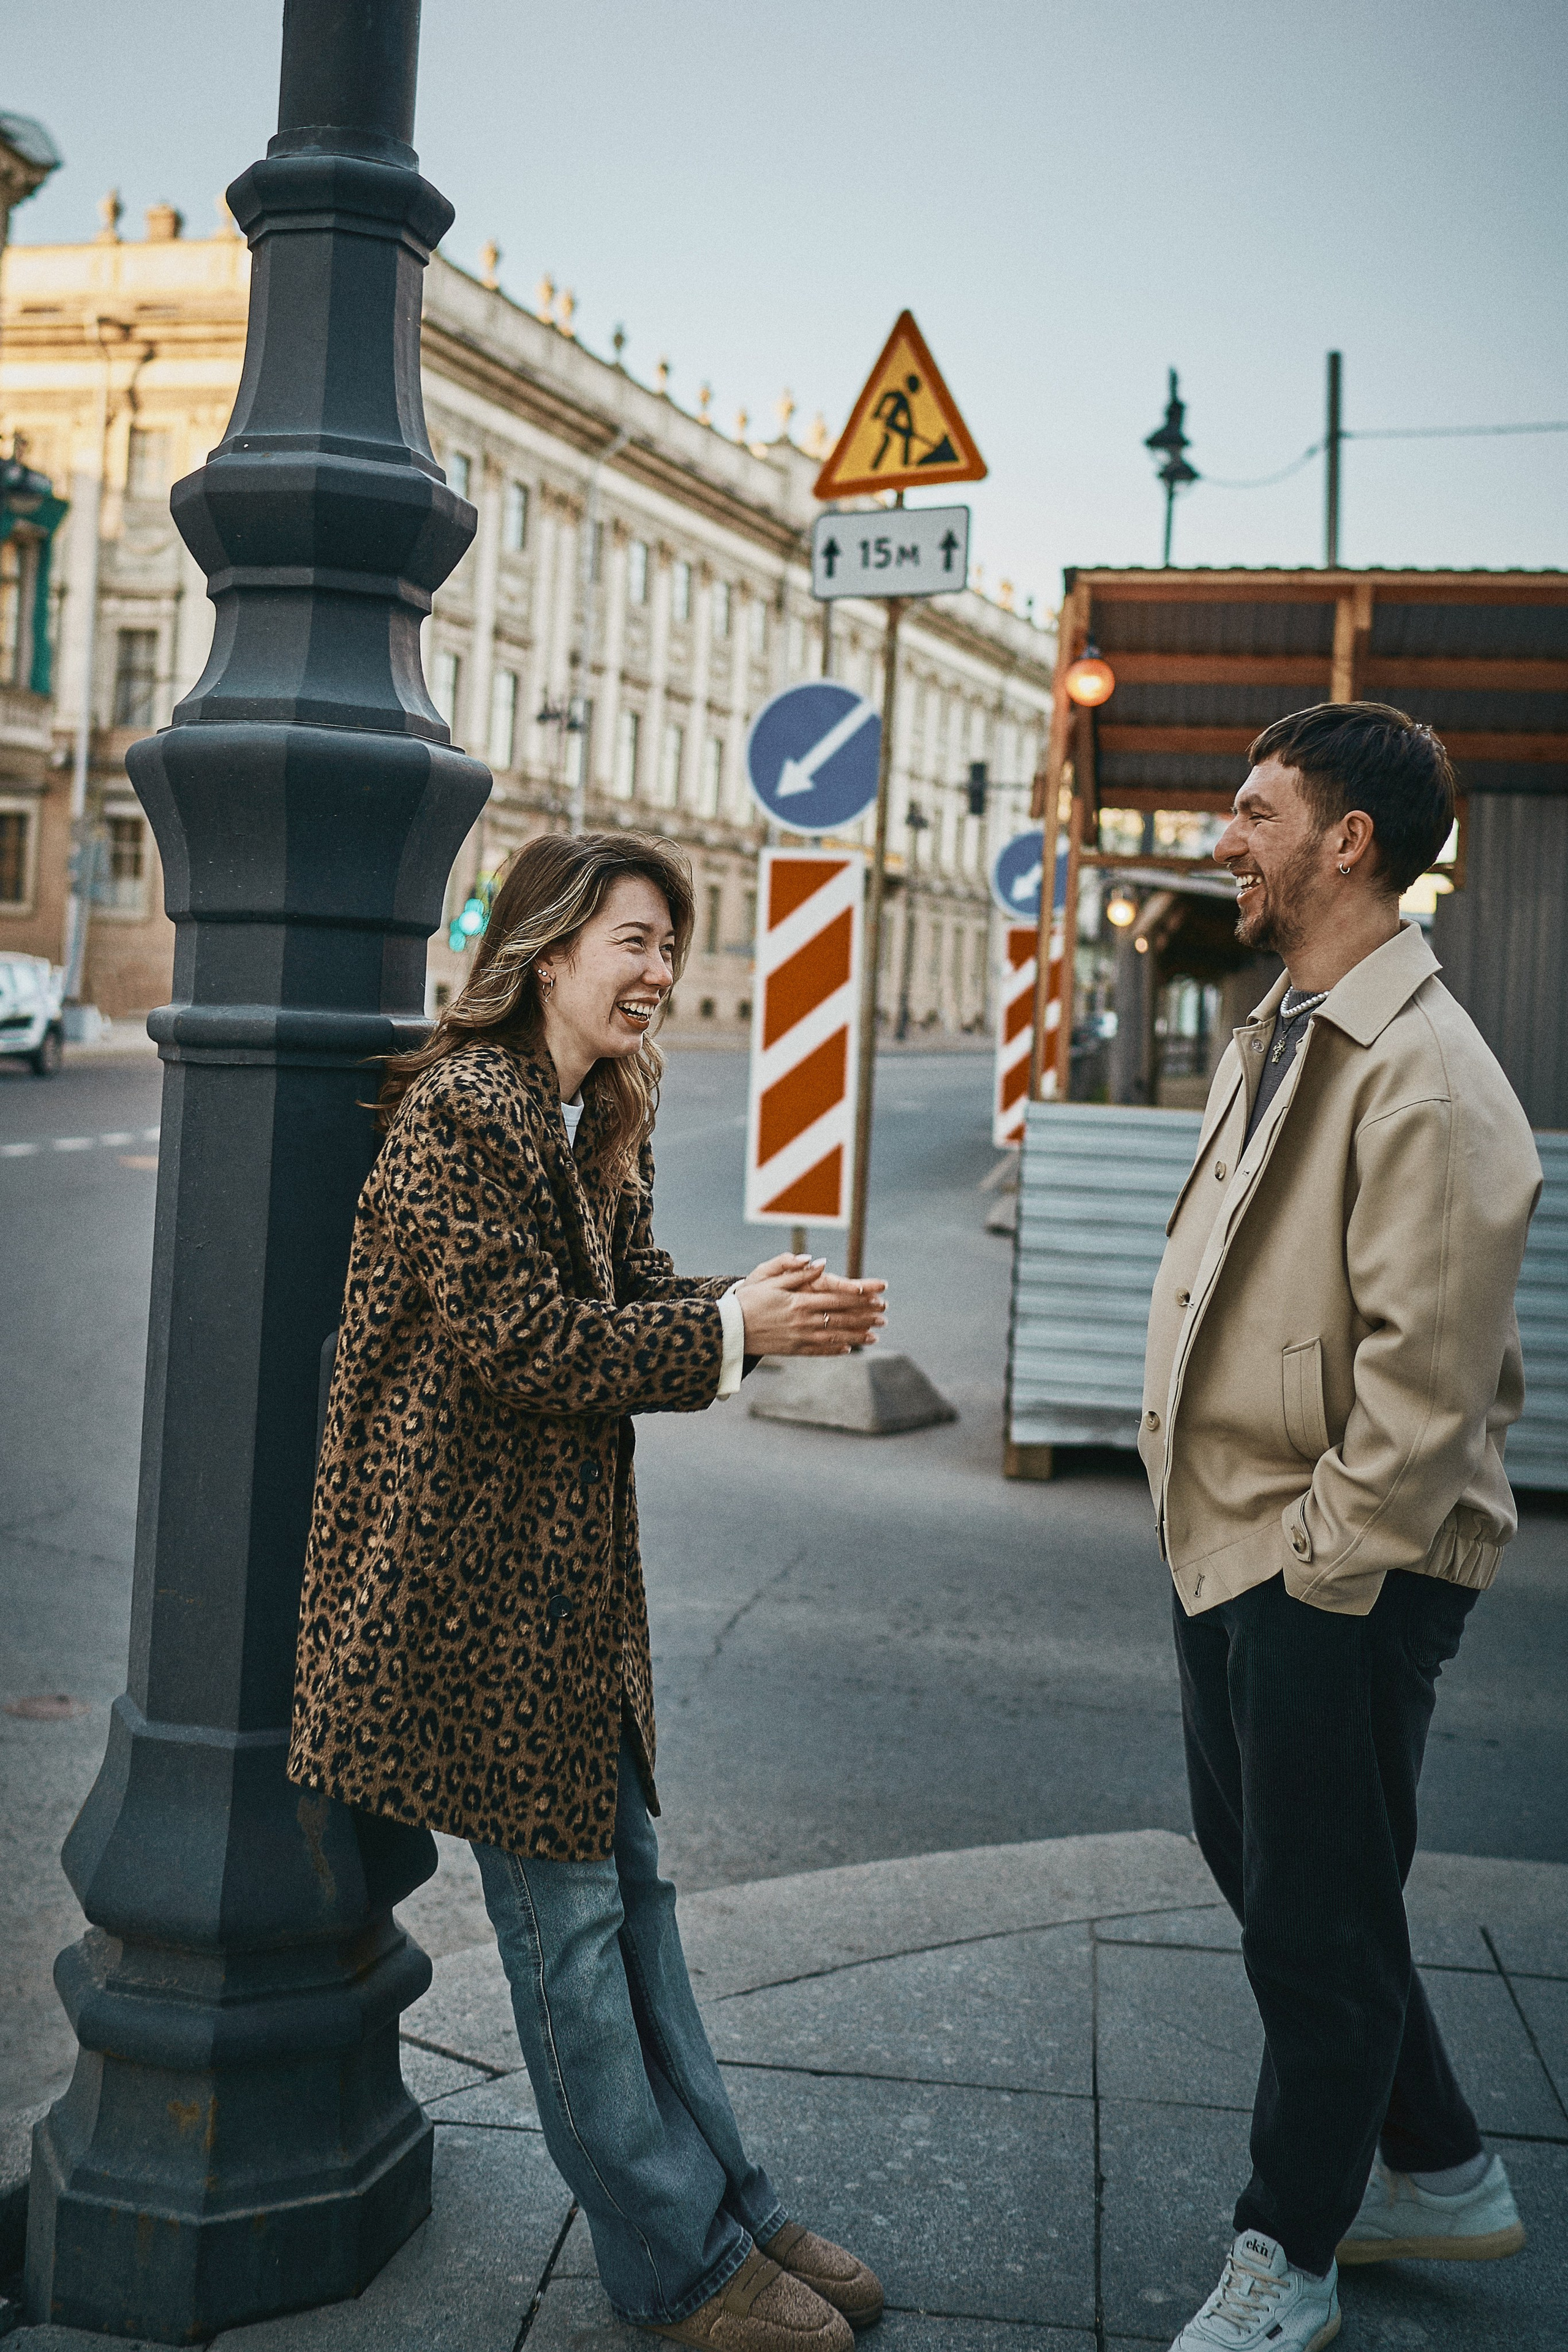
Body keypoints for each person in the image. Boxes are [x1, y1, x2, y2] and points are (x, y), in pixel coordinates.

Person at [289, 831, 889, 2350]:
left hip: (558, 1598)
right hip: (462, 1598)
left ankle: (731, 2205)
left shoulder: (588, 1112)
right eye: (632, 940)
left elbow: (616, 1306)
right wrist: (732, 1336)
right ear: (547, 950)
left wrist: (753, 1312)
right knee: (566, 1930)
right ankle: (675, 2264)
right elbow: (526, 1345)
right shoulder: (462, 1112)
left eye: (670, 948)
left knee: (633, 1905)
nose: (659, 973)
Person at [1139, 706, 1541, 2352]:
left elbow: (1426, 1385)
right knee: (1293, 1881)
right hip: (1233, 1533)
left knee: (1315, 1920)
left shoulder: (1433, 1076)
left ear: (1347, 841)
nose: (1227, 837)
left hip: (1332, 1563)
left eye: (1256, 809)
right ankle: (1435, 2164)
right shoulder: (1284, 1024)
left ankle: (1288, 2251)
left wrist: (1323, 1566)